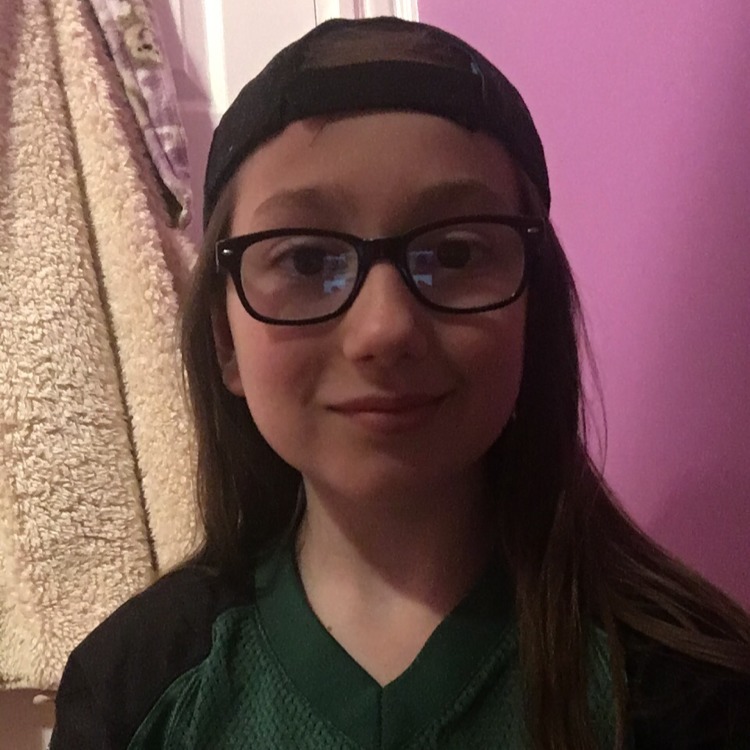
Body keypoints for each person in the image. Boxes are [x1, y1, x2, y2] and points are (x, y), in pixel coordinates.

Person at [50, 16, 750, 750]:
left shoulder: (686, 693)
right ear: (225, 338)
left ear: (532, 310)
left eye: (454, 254)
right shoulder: (134, 687)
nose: (384, 329)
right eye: (306, 261)